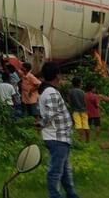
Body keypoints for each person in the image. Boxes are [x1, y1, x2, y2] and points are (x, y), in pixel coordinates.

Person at [39, 62, 80, 198]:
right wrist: (41, 124)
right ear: (57, 75)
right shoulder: (51, 91)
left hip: (61, 137)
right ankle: (55, 195)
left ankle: (72, 194)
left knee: (65, 170)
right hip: (57, 137)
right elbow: (50, 113)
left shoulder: (49, 90)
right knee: (56, 171)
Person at [67, 77, 89, 142]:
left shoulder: (70, 91)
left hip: (75, 111)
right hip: (84, 110)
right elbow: (85, 102)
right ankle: (87, 139)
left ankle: (81, 137)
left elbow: (69, 101)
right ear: (79, 83)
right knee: (85, 125)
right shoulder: (83, 92)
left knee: (78, 125)